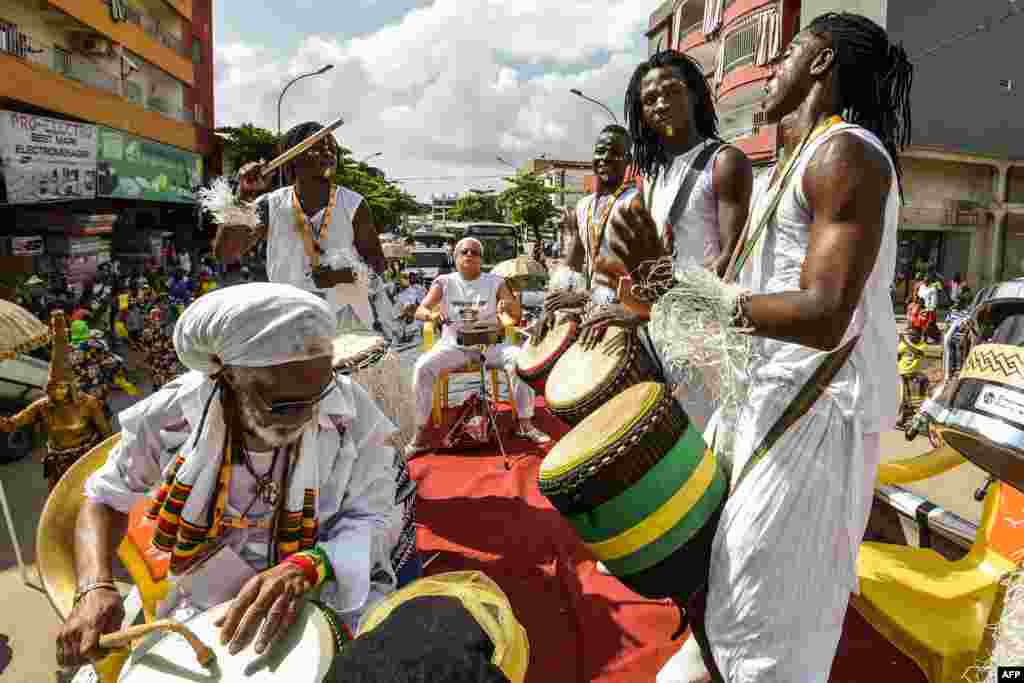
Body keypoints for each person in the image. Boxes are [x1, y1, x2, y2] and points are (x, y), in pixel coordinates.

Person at [608, 12, 913, 682]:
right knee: (723, 610)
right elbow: (741, 299)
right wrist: (660, 290)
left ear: (823, 60)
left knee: (771, 635)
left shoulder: (848, 154)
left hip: (811, 425)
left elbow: (825, 313)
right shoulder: (796, 161)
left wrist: (689, 293)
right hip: (762, 402)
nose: (774, 65)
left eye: (790, 50)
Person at [56, 283, 405, 669]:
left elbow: (378, 517)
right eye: (284, 403)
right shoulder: (175, 414)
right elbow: (104, 498)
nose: (308, 413)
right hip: (207, 603)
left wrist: (308, 565)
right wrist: (94, 586)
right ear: (229, 379)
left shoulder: (346, 408)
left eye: (319, 393)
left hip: (325, 584)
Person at [578, 50, 753, 429]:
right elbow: (637, 264)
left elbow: (731, 268)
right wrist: (601, 301)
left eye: (671, 91)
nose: (660, 103)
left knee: (710, 456)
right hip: (661, 334)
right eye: (649, 99)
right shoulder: (653, 177)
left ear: (694, 95)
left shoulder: (725, 162)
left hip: (708, 344)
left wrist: (642, 309)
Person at [214, 121, 389, 332]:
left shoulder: (353, 204)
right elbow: (226, 253)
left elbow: (377, 264)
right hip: (289, 322)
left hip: (345, 323)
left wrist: (342, 275)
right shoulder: (270, 204)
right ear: (292, 158)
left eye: (331, 147)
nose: (328, 152)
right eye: (317, 147)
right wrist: (245, 195)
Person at [406, 237, 551, 455]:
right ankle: (419, 436)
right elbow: (420, 310)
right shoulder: (444, 281)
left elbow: (515, 315)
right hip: (455, 345)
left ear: (481, 259)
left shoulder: (496, 281)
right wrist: (433, 315)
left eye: (474, 252)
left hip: (491, 344)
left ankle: (525, 423)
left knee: (519, 359)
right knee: (422, 367)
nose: (469, 255)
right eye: (464, 251)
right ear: (455, 257)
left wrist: (507, 306)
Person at [540, 125, 639, 332]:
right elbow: (573, 264)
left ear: (628, 160)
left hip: (623, 313)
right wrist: (550, 306)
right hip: (592, 309)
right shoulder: (583, 206)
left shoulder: (635, 204)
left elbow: (637, 274)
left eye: (615, 153)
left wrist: (581, 296)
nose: (605, 157)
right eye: (601, 150)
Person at [0, 312, 112, 491]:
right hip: (58, 464)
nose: (59, 392)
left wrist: (110, 460)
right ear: (49, 387)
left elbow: (106, 433)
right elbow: (13, 424)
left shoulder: (88, 403)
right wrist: (5, 423)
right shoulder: (41, 406)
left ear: (71, 387)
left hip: (86, 459)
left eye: (63, 387)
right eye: (54, 387)